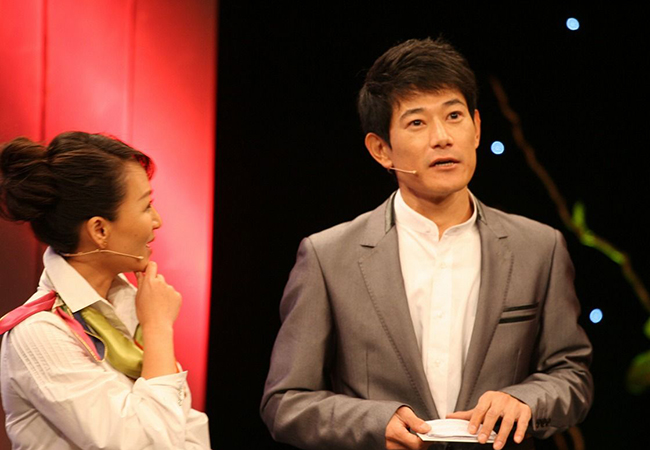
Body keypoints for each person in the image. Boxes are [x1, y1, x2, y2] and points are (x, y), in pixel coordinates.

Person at [260, 38, 593, 450]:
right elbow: (286, 401)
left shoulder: (539, 247)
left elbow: (572, 375)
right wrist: (373, 422)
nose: (442, 137)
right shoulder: (328, 257)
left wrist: (526, 399)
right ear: (381, 150)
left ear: (477, 128)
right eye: (417, 123)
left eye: (454, 116)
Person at [0, 132, 211, 449]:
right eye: (146, 206)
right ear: (100, 229)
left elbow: (189, 431)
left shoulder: (130, 303)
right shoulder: (40, 333)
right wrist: (158, 328)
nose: (157, 221)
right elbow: (147, 445)